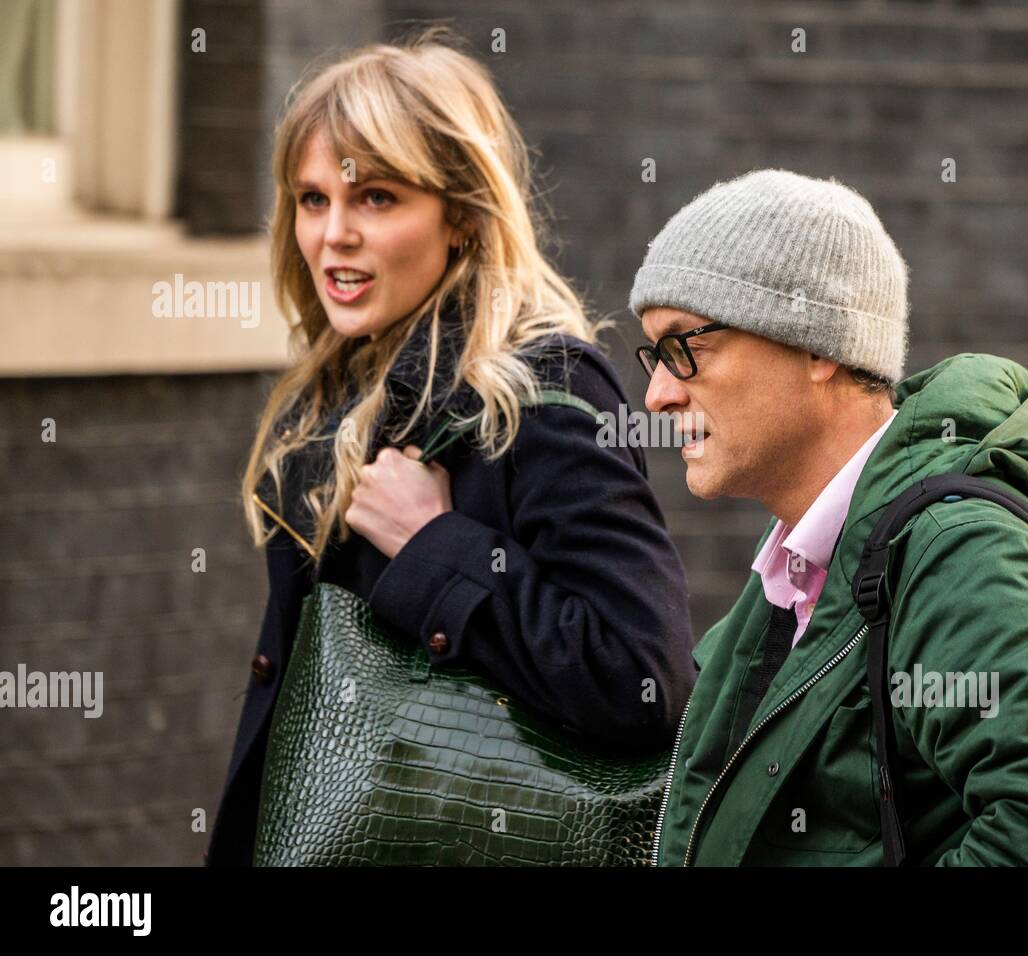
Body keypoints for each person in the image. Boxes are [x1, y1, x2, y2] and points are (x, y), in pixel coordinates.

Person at [205, 27, 694, 866]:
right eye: (312, 199)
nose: (333, 236)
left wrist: (438, 549)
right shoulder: (337, 388)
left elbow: (643, 677)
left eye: (377, 198)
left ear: (462, 218)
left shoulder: (544, 391)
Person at [630, 168, 1028, 866]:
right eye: (651, 355)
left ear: (820, 345)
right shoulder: (803, 566)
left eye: (683, 348)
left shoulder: (959, 554)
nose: (656, 395)